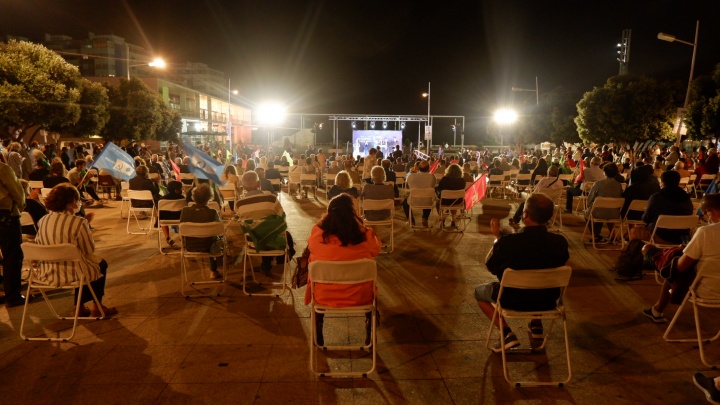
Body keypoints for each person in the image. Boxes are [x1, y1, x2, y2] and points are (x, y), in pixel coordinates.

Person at [475, 193, 569, 351]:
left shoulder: (508, 243)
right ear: (550, 216)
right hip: (548, 300)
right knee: (540, 277)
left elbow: (491, 266)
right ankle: (536, 324)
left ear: (525, 214)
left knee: (479, 292)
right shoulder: (559, 242)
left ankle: (506, 333)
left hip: (512, 298)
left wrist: (498, 238)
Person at [305, 194, 381, 346]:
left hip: (324, 296)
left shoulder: (317, 235)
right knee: (370, 284)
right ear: (353, 213)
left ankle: (318, 327)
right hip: (360, 296)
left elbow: (311, 249)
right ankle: (369, 325)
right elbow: (376, 250)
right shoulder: (365, 235)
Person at [35, 183, 117, 317]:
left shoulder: (43, 220)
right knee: (99, 264)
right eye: (78, 200)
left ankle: (79, 307)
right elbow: (88, 250)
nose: (79, 203)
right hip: (72, 273)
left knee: (83, 265)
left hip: (46, 273)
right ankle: (97, 306)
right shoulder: (78, 222)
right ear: (70, 202)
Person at [642, 193, 720, 324]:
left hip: (709, 291)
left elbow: (681, 266)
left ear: (711, 211)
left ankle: (657, 310)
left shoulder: (706, 232)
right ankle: (656, 310)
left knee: (672, 267)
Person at [235, 171, 294, 275]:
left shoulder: (239, 204)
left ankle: (266, 264)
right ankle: (277, 259)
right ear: (258, 184)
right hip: (274, 240)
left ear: (243, 187)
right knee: (271, 230)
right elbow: (282, 218)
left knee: (259, 229)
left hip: (253, 243)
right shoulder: (270, 199)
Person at [180, 184, 223, 279]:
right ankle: (213, 270)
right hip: (210, 248)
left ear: (193, 197)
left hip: (190, 246)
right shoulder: (212, 212)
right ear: (209, 198)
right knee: (213, 238)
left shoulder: (185, 211)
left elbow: (182, 230)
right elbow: (219, 230)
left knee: (210, 237)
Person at [640, 170, 694, 245]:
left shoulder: (656, 197)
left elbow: (646, 218)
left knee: (634, 232)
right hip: (683, 237)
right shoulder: (687, 198)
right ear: (678, 181)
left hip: (661, 236)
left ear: (663, 182)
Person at [0, 158, 26, 308]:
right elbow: (17, 191)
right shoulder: (3, 169)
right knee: (12, 255)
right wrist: (21, 206)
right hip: (5, 215)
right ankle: (13, 295)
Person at [584, 163, 623, 241]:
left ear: (604, 172)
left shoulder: (598, 184)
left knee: (588, 213)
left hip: (599, 212)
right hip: (615, 213)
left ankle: (595, 234)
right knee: (603, 208)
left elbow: (590, 199)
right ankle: (609, 234)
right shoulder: (619, 185)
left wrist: (588, 206)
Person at [403, 160, 437, 227]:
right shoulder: (433, 177)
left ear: (418, 168)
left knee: (405, 203)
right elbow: (432, 187)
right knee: (428, 196)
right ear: (428, 168)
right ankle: (425, 218)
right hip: (428, 202)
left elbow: (408, 185)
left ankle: (411, 221)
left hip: (414, 201)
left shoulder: (411, 176)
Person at [435, 164, 466, 228]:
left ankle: (442, 218)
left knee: (438, 203)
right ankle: (453, 219)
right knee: (454, 200)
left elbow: (439, 188)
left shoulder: (444, 179)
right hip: (458, 201)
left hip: (445, 201)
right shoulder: (462, 181)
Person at [158, 180, 185, 247]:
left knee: (162, 217)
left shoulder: (162, 199)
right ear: (176, 190)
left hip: (165, 219)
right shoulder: (182, 198)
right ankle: (182, 237)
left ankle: (167, 237)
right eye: (180, 189)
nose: (181, 190)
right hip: (180, 219)